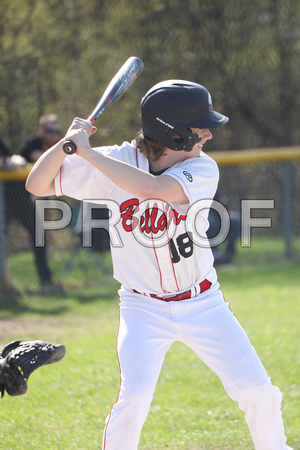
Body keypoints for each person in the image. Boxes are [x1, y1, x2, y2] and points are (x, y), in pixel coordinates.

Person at [26, 80, 292, 449]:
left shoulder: (203, 168)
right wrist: (66, 144)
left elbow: (154, 190)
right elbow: (37, 184)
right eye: (199, 127)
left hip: (203, 302)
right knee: (132, 401)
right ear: (173, 133)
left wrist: (88, 154)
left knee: (259, 391)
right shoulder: (116, 159)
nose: (208, 134)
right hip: (142, 307)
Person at [17, 115, 63, 294]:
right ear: (42, 131)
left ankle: (45, 280)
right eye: (51, 131)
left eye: (57, 132)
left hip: (25, 202)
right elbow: (42, 160)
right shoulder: (32, 144)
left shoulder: (55, 147)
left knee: (39, 236)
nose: (54, 135)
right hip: (9, 197)